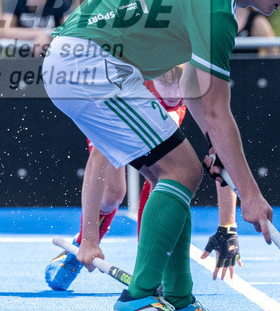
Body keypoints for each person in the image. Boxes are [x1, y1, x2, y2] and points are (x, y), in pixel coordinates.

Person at [41, 0, 280, 311]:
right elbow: (218, 114)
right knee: (183, 170)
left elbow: (197, 93)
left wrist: (219, 155)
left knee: (177, 170)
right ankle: (139, 298)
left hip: (85, 59)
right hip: (88, 63)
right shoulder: (217, 8)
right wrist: (252, 198)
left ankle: (179, 299)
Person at [44, 65, 243, 291]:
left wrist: (227, 226)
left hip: (154, 103)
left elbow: (222, 151)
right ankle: (81, 242)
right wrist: (90, 239)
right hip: (107, 99)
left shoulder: (198, 82)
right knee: (112, 194)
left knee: (167, 175)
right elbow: (98, 159)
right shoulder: (125, 83)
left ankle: (148, 265)